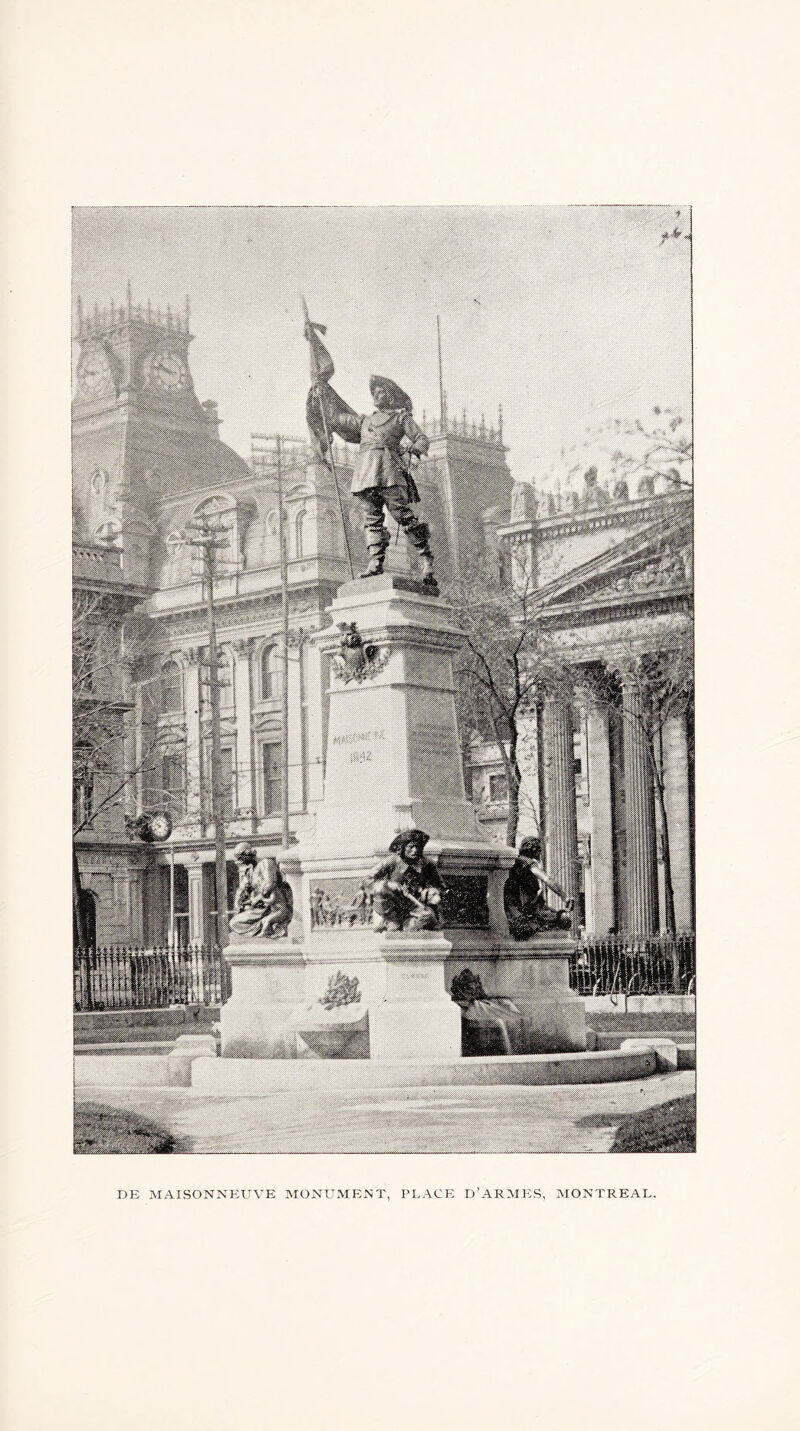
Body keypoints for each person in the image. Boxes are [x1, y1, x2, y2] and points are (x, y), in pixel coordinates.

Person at [318, 375, 437, 590]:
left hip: (390, 471)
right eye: (374, 392)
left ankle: (425, 559)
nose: (376, 395)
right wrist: (322, 391)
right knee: (371, 519)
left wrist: (414, 448)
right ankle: (375, 562)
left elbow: (421, 439)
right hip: (366, 473)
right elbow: (337, 419)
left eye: (381, 392)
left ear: (391, 397)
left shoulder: (401, 419)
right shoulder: (365, 421)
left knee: (402, 514)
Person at [369, 828, 443, 932]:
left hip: (416, 906)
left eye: (417, 846)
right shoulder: (391, 862)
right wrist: (388, 884)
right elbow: (368, 879)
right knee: (380, 888)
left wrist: (431, 891)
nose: (415, 850)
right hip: (393, 907)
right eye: (411, 847)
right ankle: (391, 921)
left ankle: (407, 925)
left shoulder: (427, 864)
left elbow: (440, 885)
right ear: (402, 848)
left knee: (428, 917)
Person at [503, 835, 574, 940]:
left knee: (561, 919)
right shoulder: (527, 863)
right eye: (539, 849)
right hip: (528, 911)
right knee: (564, 919)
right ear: (533, 849)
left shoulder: (516, 863)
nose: (540, 853)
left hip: (523, 910)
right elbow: (547, 879)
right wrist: (564, 896)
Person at [229, 843, 293, 940]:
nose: (240, 861)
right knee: (234, 923)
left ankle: (265, 928)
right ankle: (262, 928)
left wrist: (256, 899)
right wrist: (239, 901)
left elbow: (271, 883)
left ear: (248, 854)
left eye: (241, 858)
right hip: (259, 908)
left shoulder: (266, 863)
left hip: (272, 906)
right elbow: (242, 889)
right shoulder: (249, 871)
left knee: (235, 923)